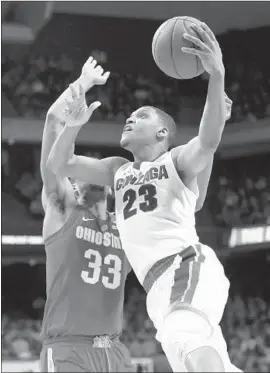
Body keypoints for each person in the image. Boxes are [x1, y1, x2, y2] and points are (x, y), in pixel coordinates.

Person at [47, 23, 240, 372]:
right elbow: (60, 163)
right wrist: (73, 124)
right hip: (159, 286)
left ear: (163, 132)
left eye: (141, 116)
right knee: (196, 355)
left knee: (185, 337)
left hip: (185, 265)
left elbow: (207, 142)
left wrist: (217, 75)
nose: (129, 119)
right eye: (130, 116)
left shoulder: (176, 161)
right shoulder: (118, 170)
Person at [40, 82, 133, 372]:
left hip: (114, 350)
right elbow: (52, 126)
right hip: (70, 349)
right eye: (76, 171)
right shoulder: (65, 209)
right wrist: (79, 85)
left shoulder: (127, 228)